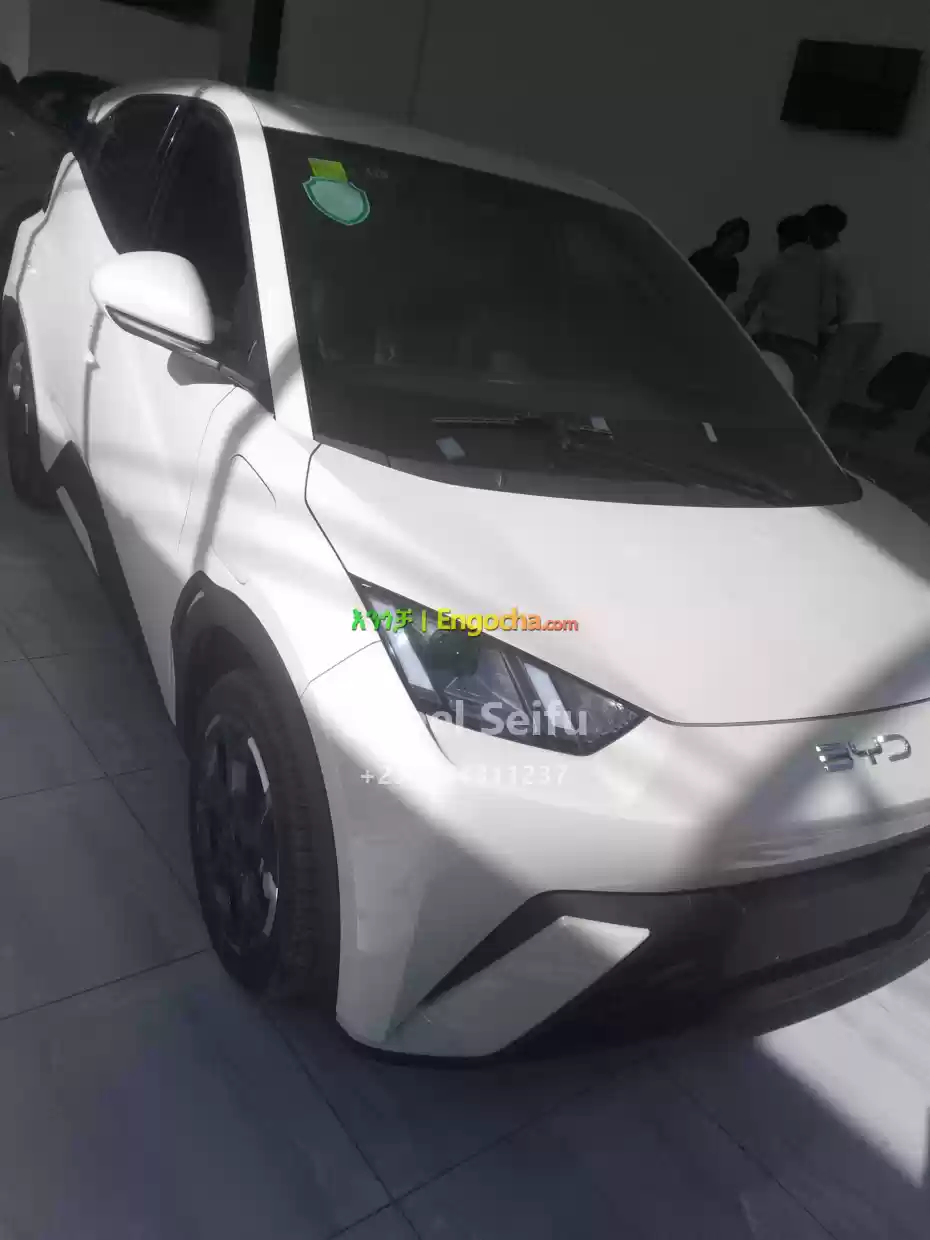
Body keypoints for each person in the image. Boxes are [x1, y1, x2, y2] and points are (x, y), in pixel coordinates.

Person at [738, 214, 833, 406]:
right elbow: (829, 310)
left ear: (783, 238)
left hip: (770, 338)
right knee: (791, 404)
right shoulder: (825, 266)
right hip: (804, 345)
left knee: (753, 393)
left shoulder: (775, 264)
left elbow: (751, 304)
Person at [803, 202, 881, 421]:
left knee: (822, 394)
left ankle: (809, 437)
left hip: (850, 327)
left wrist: (820, 330)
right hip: (870, 325)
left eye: (810, 228)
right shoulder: (847, 254)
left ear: (825, 230)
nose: (807, 235)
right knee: (834, 391)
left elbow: (833, 305)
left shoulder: (825, 258)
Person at [688, 217, 750, 303]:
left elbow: (722, 298)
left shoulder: (732, 266)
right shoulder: (701, 255)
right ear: (725, 235)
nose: (735, 244)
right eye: (734, 238)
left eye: (740, 242)